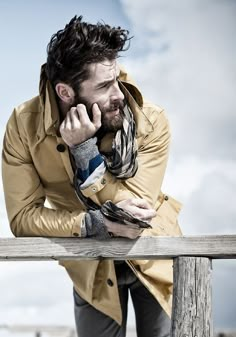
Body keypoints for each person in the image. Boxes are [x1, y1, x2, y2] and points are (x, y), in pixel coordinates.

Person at [2, 15, 182, 337]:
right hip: (88, 267)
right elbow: (22, 218)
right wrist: (91, 224)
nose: (119, 94)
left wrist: (84, 151)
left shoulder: (150, 120)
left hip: (154, 255)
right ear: (65, 92)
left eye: (115, 79)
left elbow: (133, 213)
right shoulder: (22, 128)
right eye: (103, 86)